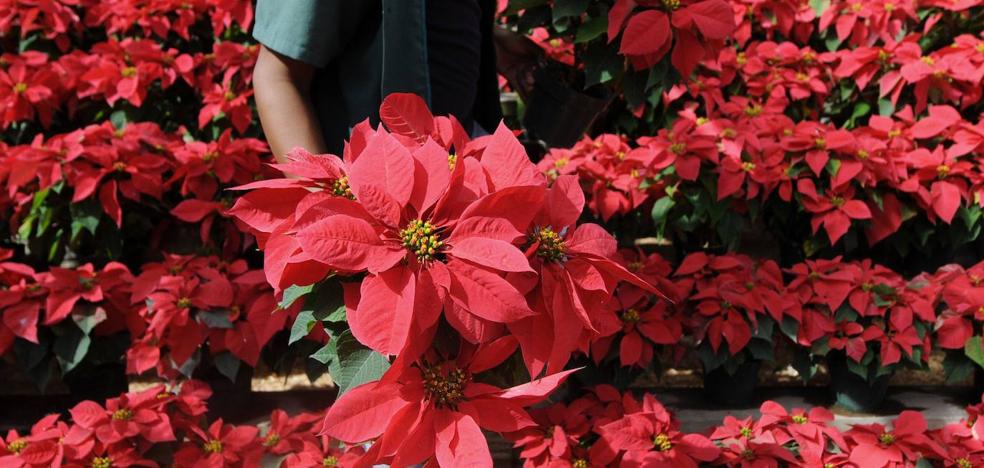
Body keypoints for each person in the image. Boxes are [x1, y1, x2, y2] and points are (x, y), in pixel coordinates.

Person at [252, 0, 543, 161]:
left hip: (450, 191)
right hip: (378, 205)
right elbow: (278, 76)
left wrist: (490, 45)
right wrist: (327, 215)